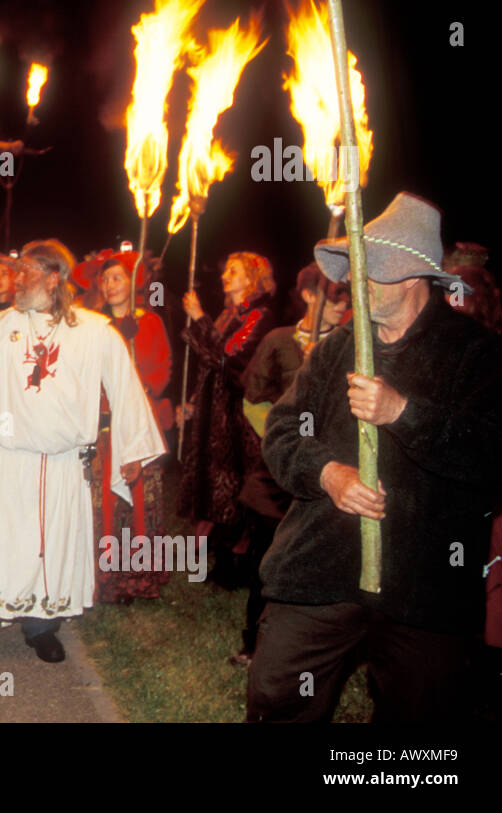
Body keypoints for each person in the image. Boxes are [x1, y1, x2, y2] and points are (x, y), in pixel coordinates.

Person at [248, 193, 502, 722]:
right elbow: (281, 432)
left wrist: (403, 412)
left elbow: (494, 461)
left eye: (368, 271)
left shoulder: (476, 355)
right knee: (279, 695)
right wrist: (328, 472)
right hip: (322, 568)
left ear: (410, 275)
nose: (351, 283)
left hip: (425, 587)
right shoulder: (336, 347)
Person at [0, 240, 165, 681]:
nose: (17, 280)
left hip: (65, 465)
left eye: (26, 271)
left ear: (54, 276)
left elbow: (126, 390)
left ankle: (41, 627)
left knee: (53, 551)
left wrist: (132, 449)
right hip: (12, 465)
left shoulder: (96, 331)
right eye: (17, 271)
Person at [228, 264, 349, 666]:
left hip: (329, 477)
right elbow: (252, 399)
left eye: (347, 295)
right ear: (310, 296)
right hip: (279, 479)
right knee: (269, 560)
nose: (343, 303)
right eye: (334, 295)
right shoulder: (280, 340)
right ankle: (253, 644)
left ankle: (306, 649)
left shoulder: (353, 347)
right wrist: (281, 444)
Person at [176, 251, 275, 588]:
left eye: (234, 271)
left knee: (232, 488)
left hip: (236, 418)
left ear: (251, 278)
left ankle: (237, 561)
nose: (224, 276)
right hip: (211, 415)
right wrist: (191, 402)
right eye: (226, 270)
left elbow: (230, 361)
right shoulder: (228, 314)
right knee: (210, 485)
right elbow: (207, 364)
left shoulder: (259, 316)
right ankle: (211, 554)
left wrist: (200, 318)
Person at [93, 251, 173, 603]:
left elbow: (163, 367)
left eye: (117, 278)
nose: (110, 285)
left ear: (132, 282)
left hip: (140, 423)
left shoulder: (150, 322)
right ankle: (109, 579)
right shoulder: (94, 327)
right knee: (109, 502)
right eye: (105, 279)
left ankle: (140, 578)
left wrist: (140, 385)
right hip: (107, 426)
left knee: (141, 500)